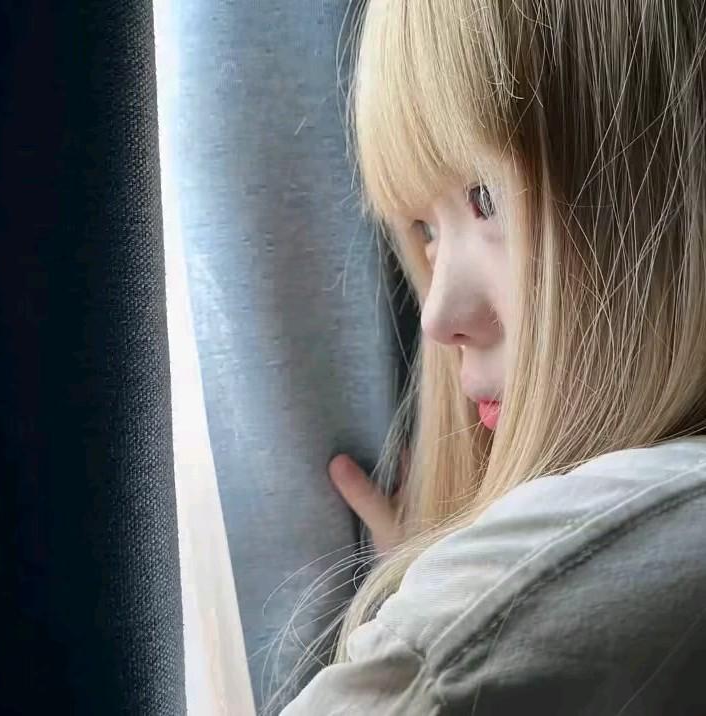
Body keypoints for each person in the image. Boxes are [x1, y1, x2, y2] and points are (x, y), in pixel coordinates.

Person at [272, 0, 706, 712]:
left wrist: (438, 604)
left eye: (487, 198)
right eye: (425, 228)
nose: (438, 317)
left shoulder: (459, 646)